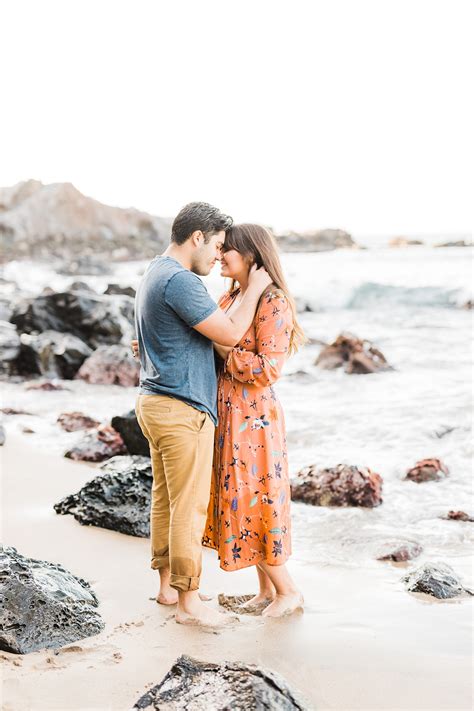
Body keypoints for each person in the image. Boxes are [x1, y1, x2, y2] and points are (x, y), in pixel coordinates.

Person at [134, 202, 272, 627]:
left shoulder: (154, 272)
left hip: (154, 401)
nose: (217, 254)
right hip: (181, 408)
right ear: (196, 237)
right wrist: (255, 288)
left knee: (165, 501)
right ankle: (189, 603)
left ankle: (166, 588)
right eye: (214, 245)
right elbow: (229, 334)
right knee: (188, 508)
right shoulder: (180, 280)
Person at [203, 223, 306, 617]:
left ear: (250, 255)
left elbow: (268, 369)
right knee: (242, 497)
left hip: (254, 418)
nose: (219, 255)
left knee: (257, 498)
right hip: (228, 411)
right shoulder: (233, 295)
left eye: (227, 249)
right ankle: (265, 591)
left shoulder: (273, 301)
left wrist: (221, 347)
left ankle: (288, 591)